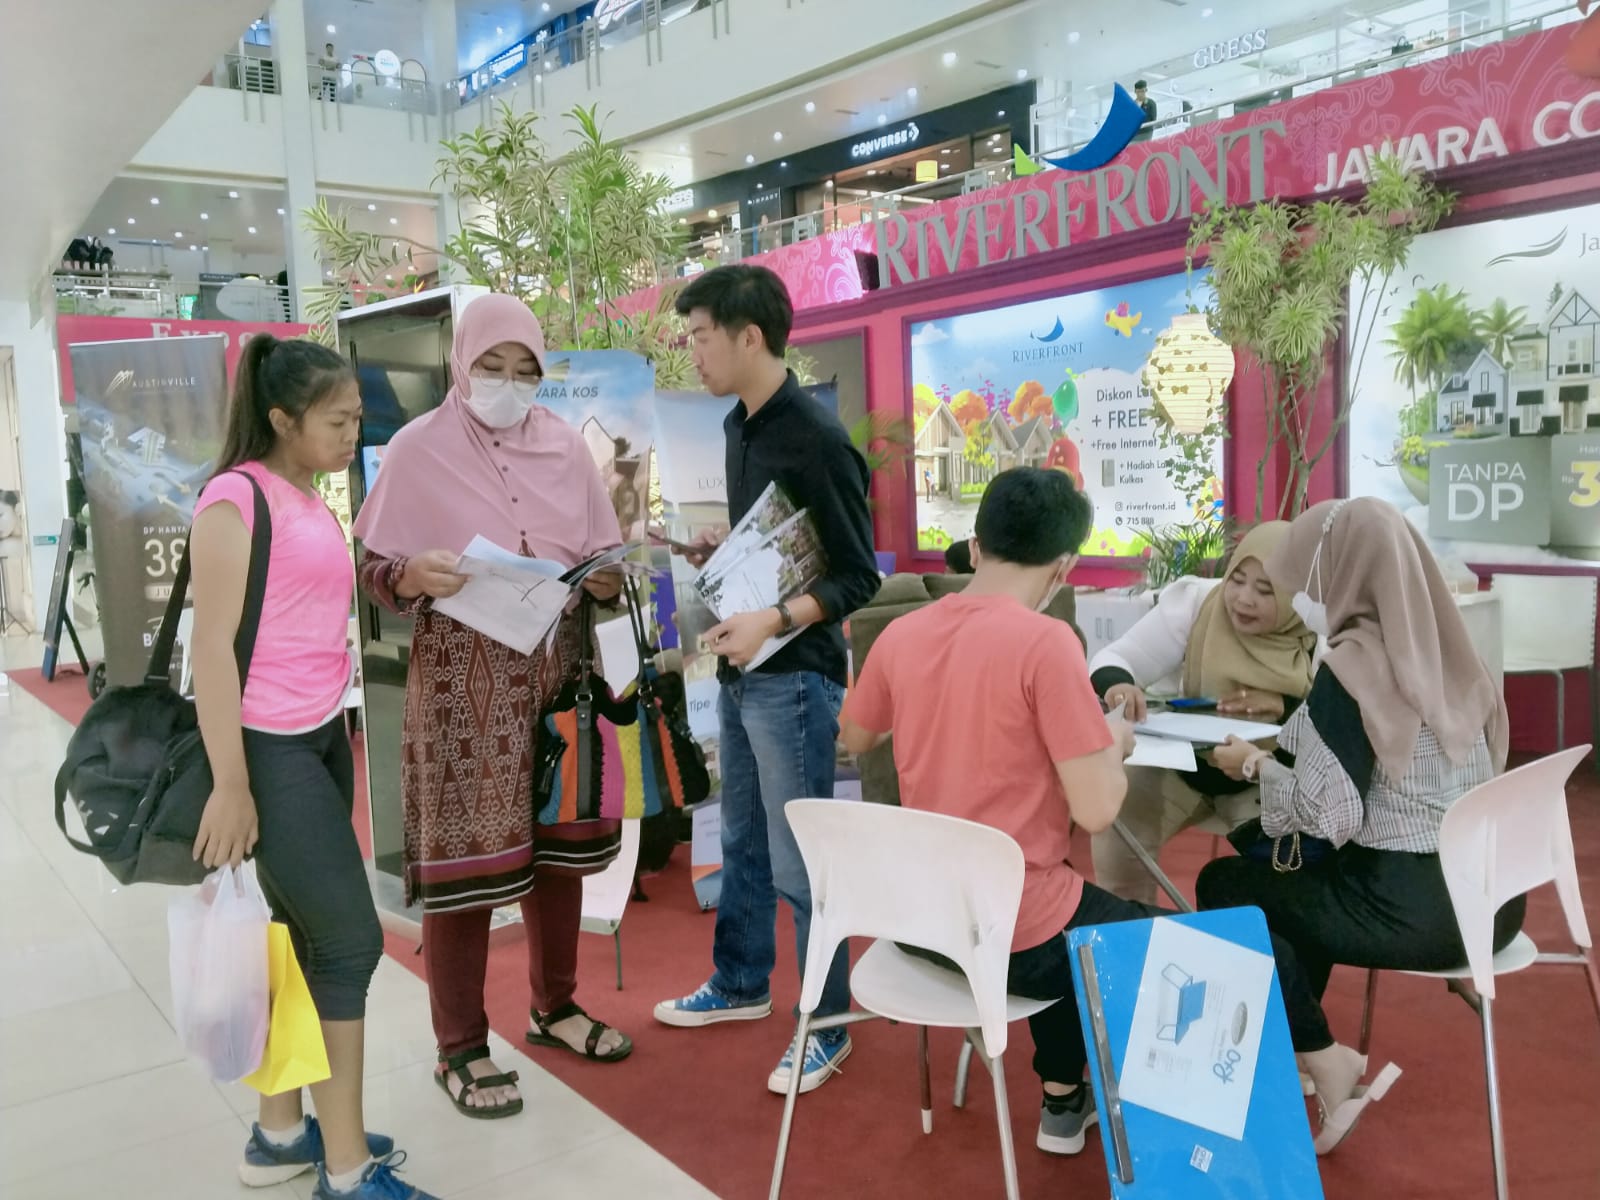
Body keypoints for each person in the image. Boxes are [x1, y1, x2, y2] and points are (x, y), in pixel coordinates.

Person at [353, 294, 633, 1122]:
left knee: (557, 848)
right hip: (464, 686)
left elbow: (603, 551)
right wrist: (408, 576)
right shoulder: (415, 449)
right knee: (467, 865)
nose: (510, 387)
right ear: (460, 366)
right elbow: (372, 568)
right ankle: (461, 1045)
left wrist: (608, 576)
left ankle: (556, 1006)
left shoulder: (566, 449)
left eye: (526, 373)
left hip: (557, 667)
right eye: (492, 369)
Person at [839, 467, 1156, 1156]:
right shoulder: (1047, 644)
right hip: (1015, 942)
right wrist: (1115, 740)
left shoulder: (899, 636)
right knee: (1155, 938)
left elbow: (854, 736)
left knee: (1070, 901)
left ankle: (1064, 1098)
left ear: (975, 547)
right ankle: (1113, 1108)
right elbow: (1098, 809)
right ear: (1065, 566)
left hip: (921, 927)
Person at [188, 335, 436, 1199]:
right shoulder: (234, 499)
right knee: (347, 939)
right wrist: (232, 781)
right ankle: (346, 1170)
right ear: (283, 419)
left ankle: (282, 1130)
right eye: (337, 420)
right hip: (267, 748)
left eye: (357, 417)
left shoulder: (304, 498)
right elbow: (211, 653)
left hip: (321, 736)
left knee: (293, 940)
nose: (351, 433)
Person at [1198, 497, 1522, 1154]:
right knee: (1289, 887)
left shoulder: (1353, 665)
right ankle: (1297, 1051)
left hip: (1416, 909)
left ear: (1343, 574)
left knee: (1229, 884)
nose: (1305, 597)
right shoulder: (1452, 645)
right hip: (1494, 899)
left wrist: (1258, 765)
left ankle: (1319, 1054)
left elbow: (1331, 815)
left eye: (1308, 581)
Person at [654, 264, 880, 1096]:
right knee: (743, 842)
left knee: (800, 863)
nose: (694, 352)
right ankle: (742, 983)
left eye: (701, 335)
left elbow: (858, 577)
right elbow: (788, 545)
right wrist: (726, 549)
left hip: (795, 680)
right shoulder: (736, 426)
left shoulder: (819, 439)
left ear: (751, 336)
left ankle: (826, 1022)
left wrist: (776, 620)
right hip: (746, 667)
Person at [1087, 522, 1316, 903]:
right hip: (1185, 770)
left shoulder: (1320, 631)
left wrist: (1285, 707)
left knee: (1285, 878)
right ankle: (1129, 920)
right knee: (1117, 801)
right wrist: (1119, 685)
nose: (1243, 599)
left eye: (1265, 590)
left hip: (1267, 780)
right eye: (1237, 579)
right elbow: (1115, 657)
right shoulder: (1197, 605)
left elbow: (1343, 723)